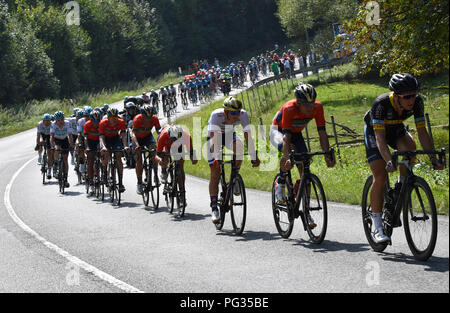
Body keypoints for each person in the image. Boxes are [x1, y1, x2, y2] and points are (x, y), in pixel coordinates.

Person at [363, 73, 444, 243]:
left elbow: (422, 132)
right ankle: (377, 226)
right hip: (375, 132)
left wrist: (433, 158)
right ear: (396, 96)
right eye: (407, 96)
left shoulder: (418, 102)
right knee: (380, 175)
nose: (411, 100)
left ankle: (402, 185)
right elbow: (379, 139)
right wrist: (388, 160)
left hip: (396, 129)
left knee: (410, 148)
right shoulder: (381, 103)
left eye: (414, 95)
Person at [276, 83, 335, 219]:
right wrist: (288, 157)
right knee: (292, 151)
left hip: (296, 133)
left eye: (311, 103)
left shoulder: (318, 107)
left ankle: (306, 211)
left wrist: (327, 153)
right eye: (306, 104)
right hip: (279, 131)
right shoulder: (289, 108)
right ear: (298, 103)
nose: (310, 107)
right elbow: (286, 137)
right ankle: (281, 181)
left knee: (304, 167)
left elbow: (322, 133)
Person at [207, 97, 260, 224]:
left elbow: (248, 136)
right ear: (226, 112)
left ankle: (235, 177)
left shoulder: (243, 114)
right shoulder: (216, 115)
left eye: (237, 113)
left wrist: (254, 156)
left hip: (230, 134)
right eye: (233, 113)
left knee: (240, 147)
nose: (236, 116)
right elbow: (214, 140)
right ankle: (214, 208)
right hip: (215, 137)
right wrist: (215, 158)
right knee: (215, 171)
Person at [154, 124, 198, 196]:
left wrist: (193, 159)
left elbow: (191, 152)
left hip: (179, 148)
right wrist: (160, 160)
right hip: (166, 145)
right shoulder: (163, 136)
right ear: (170, 136)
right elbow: (157, 155)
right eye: (174, 140)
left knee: (180, 166)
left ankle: (182, 191)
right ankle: (164, 171)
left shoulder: (186, 136)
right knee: (165, 159)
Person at [131, 105, 162, 194]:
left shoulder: (154, 118)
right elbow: (133, 135)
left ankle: (155, 175)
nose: (148, 120)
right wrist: (137, 146)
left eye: (150, 117)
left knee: (154, 151)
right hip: (137, 138)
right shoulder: (137, 119)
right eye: (146, 117)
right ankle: (139, 183)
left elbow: (158, 132)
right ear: (142, 115)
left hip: (148, 137)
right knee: (139, 160)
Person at [99, 108, 130, 193]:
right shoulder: (103, 123)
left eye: (115, 118)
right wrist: (103, 147)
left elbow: (123, 135)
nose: (113, 120)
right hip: (106, 139)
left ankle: (120, 182)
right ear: (108, 118)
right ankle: (105, 174)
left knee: (119, 158)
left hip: (115, 139)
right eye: (111, 118)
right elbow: (101, 137)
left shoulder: (121, 122)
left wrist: (125, 146)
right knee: (106, 156)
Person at [50, 111, 75, 188]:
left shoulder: (67, 123)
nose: (60, 121)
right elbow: (51, 137)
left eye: (62, 119)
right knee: (57, 149)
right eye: (58, 120)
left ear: (64, 119)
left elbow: (70, 136)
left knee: (65, 159)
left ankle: (66, 179)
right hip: (56, 139)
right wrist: (52, 146)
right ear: (55, 120)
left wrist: (71, 146)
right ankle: (56, 164)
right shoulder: (53, 124)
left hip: (64, 139)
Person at [83, 110, 102, 194]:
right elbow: (86, 138)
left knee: (99, 160)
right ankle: (91, 182)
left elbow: (103, 137)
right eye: (94, 121)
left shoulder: (101, 124)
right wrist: (87, 147)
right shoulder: (87, 124)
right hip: (90, 141)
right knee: (90, 160)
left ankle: (101, 176)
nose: (96, 123)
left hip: (98, 141)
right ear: (91, 120)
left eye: (98, 120)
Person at [35, 114, 53, 179]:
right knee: (40, 143)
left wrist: (51, 144)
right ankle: (39, 157)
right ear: (43, 121)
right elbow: (38, 135)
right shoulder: (40, 124)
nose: (47, 123)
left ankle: (49, 171)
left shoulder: (52, 124)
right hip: (43, 135)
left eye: (48, 121)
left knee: (49, 153)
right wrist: (38, 143)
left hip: (50, 136)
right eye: (45, 121)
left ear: (50, 121)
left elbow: (53, 136)